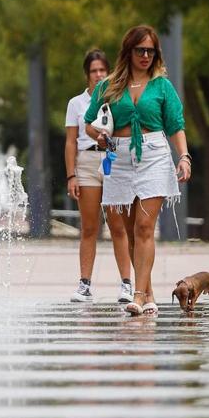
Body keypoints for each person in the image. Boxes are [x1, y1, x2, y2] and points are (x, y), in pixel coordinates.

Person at [84, 25, 192, 316]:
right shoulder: (109, 85)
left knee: (145, 227)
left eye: (150, 50)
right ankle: (149, 291)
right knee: (130, 231)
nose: (145, 55)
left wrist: (184, 156)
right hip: (118, 156)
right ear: (128, 52)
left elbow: (176, 125)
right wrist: (100, 137)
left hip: (154, 154)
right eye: (139, 50)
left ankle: (140, 293)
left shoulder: (162, 86)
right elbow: (89, 122)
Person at [65, 48, 133, 303]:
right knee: (90, 226)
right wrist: (71, 175)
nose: (98, 75)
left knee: (119, 225)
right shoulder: (76, 103)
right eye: (93, 71)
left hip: (113, 160)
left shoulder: (118, 97)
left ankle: (127, 283)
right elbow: (71, 141)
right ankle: (84, 284)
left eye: (102, 70)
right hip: (88, 159)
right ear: (87, 74)